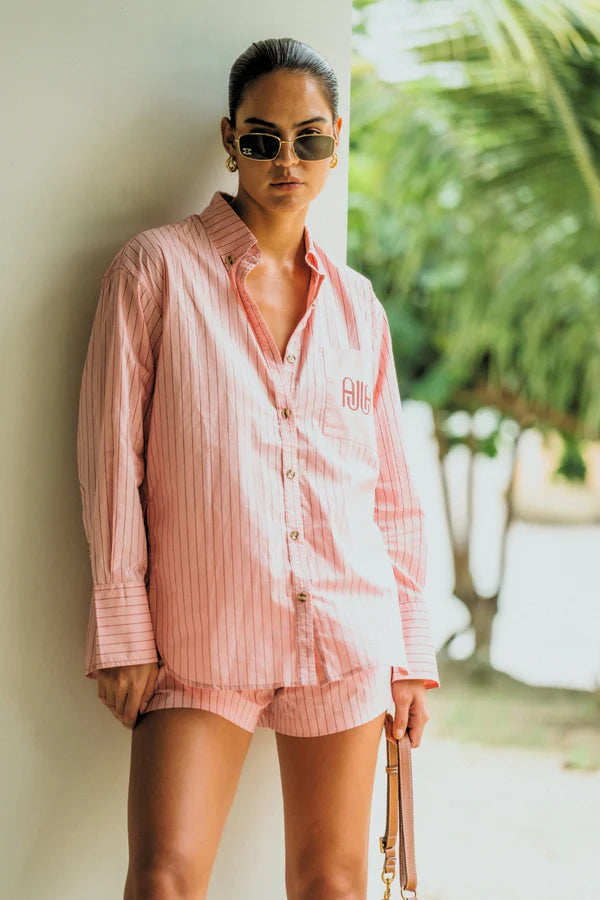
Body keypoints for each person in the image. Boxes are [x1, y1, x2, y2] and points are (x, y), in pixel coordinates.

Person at [76, 36, 440, 900]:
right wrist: (123, 628)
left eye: (308, 138)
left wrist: (409, 655)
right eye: (264, 138)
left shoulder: (358, 307)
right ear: (230, 138)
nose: (287, 160)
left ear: (336, 140)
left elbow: (392, 497)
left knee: (332, 885)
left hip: (347, 637)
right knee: (163, 879)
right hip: (201, 637)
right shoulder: (155, 270)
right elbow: (110, 459)